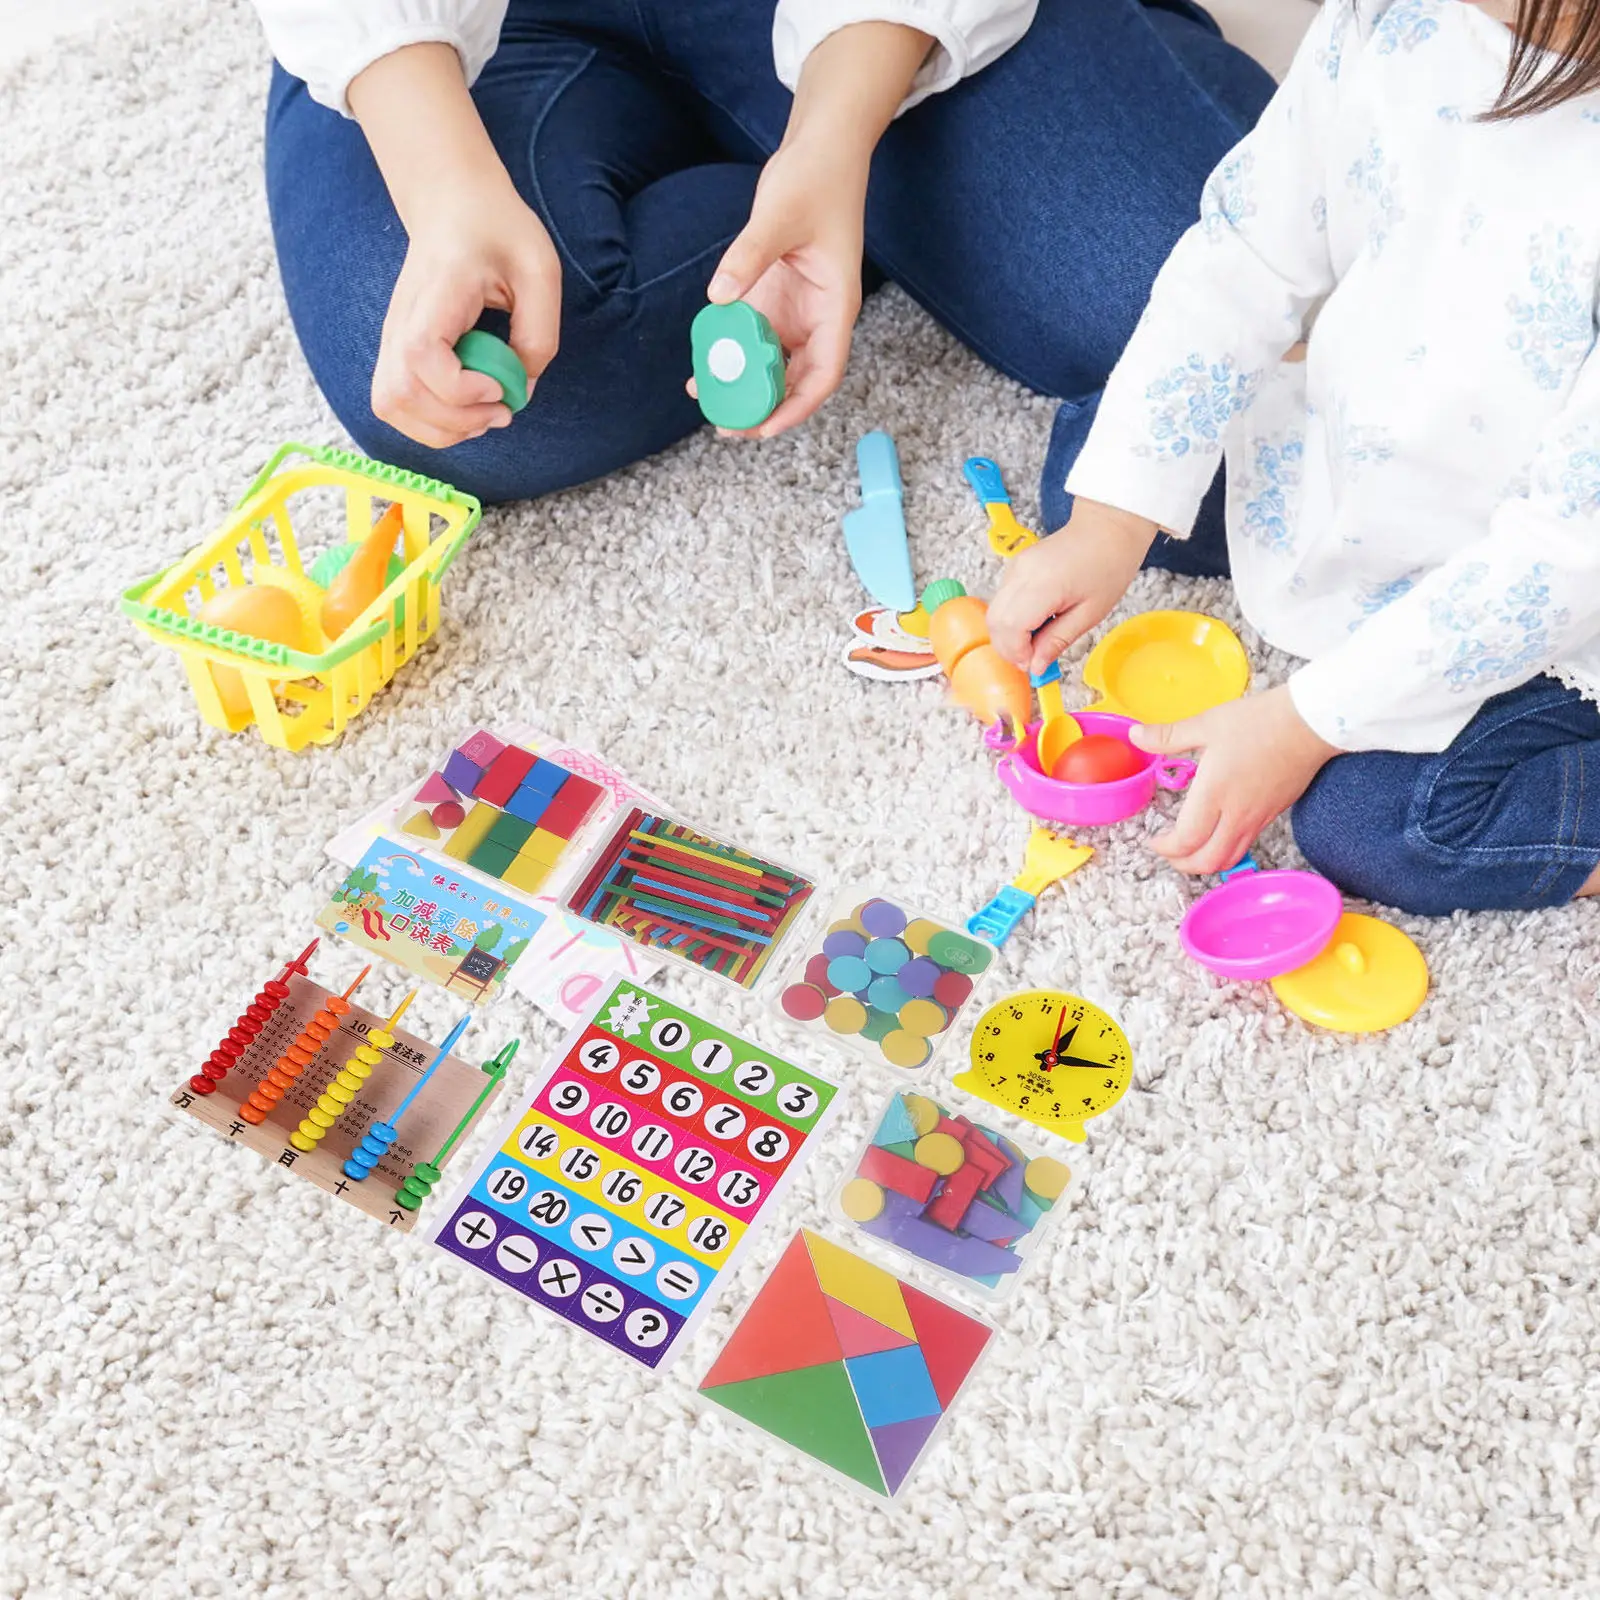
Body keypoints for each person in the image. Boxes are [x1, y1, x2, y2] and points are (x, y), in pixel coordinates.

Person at [987, 0, 1600, 918]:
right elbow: (1244, 256)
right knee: (1096, 461)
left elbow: (1560, 557)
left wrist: (1301, 721)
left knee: (1378, 826)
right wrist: (1113, 518)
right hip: (1382, 457)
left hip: (1562, 581)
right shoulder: (1393, 16)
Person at [251, 1, 1275, 506]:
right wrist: (449, 190)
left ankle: (841, 170)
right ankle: (869, 200)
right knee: (472, 387)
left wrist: (834, 132)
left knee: (1214, 304)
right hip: (490, 25)